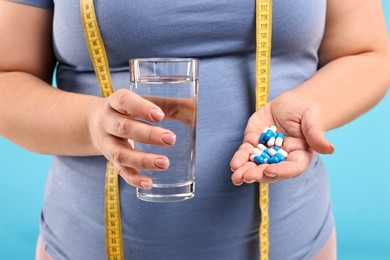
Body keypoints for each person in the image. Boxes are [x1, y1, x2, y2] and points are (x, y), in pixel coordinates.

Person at [0, 0, 389, 259]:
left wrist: (312, 106)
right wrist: (92, 124)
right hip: (89, 244)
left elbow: (366, 51)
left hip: (294, 241)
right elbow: (6, 78)